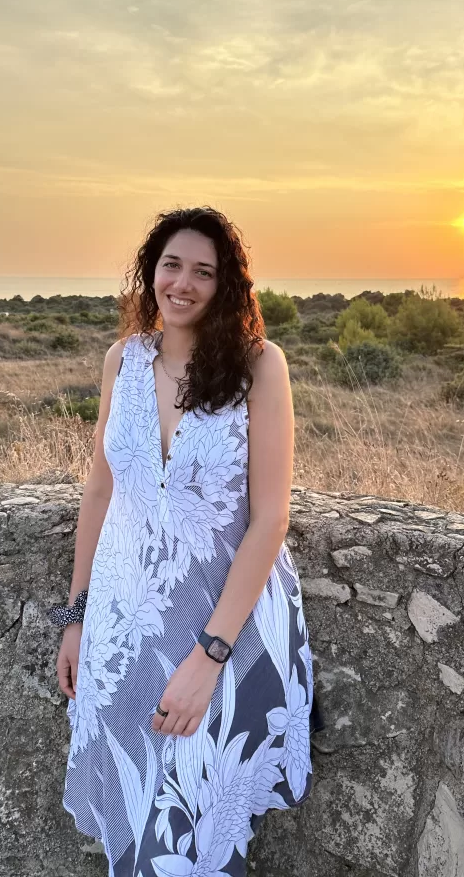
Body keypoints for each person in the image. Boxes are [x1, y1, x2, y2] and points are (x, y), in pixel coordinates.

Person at [50, 206, 313, 876]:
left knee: (194, 825)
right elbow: (102, 493)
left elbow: (270, 519)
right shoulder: (123, 361)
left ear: (227, 286)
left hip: (224, 625)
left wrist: (210, 658)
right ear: (150, 272)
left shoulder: (261, 366)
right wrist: (77, 618)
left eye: (205, 271)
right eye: (172, 265)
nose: (184, 283)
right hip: (123, 627)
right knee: (136, 817)